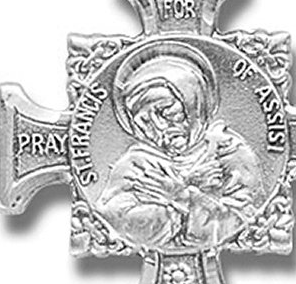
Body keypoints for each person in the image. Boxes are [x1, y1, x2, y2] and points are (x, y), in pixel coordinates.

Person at [96, 43, 265, 250]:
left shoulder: (229, 154)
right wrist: (190, 191)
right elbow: (112, 222)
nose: (160, 128)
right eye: (145, 123)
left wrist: (181, 196)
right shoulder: (135, 166)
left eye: (167, 112)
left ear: (195, 103)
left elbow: (246, 224)